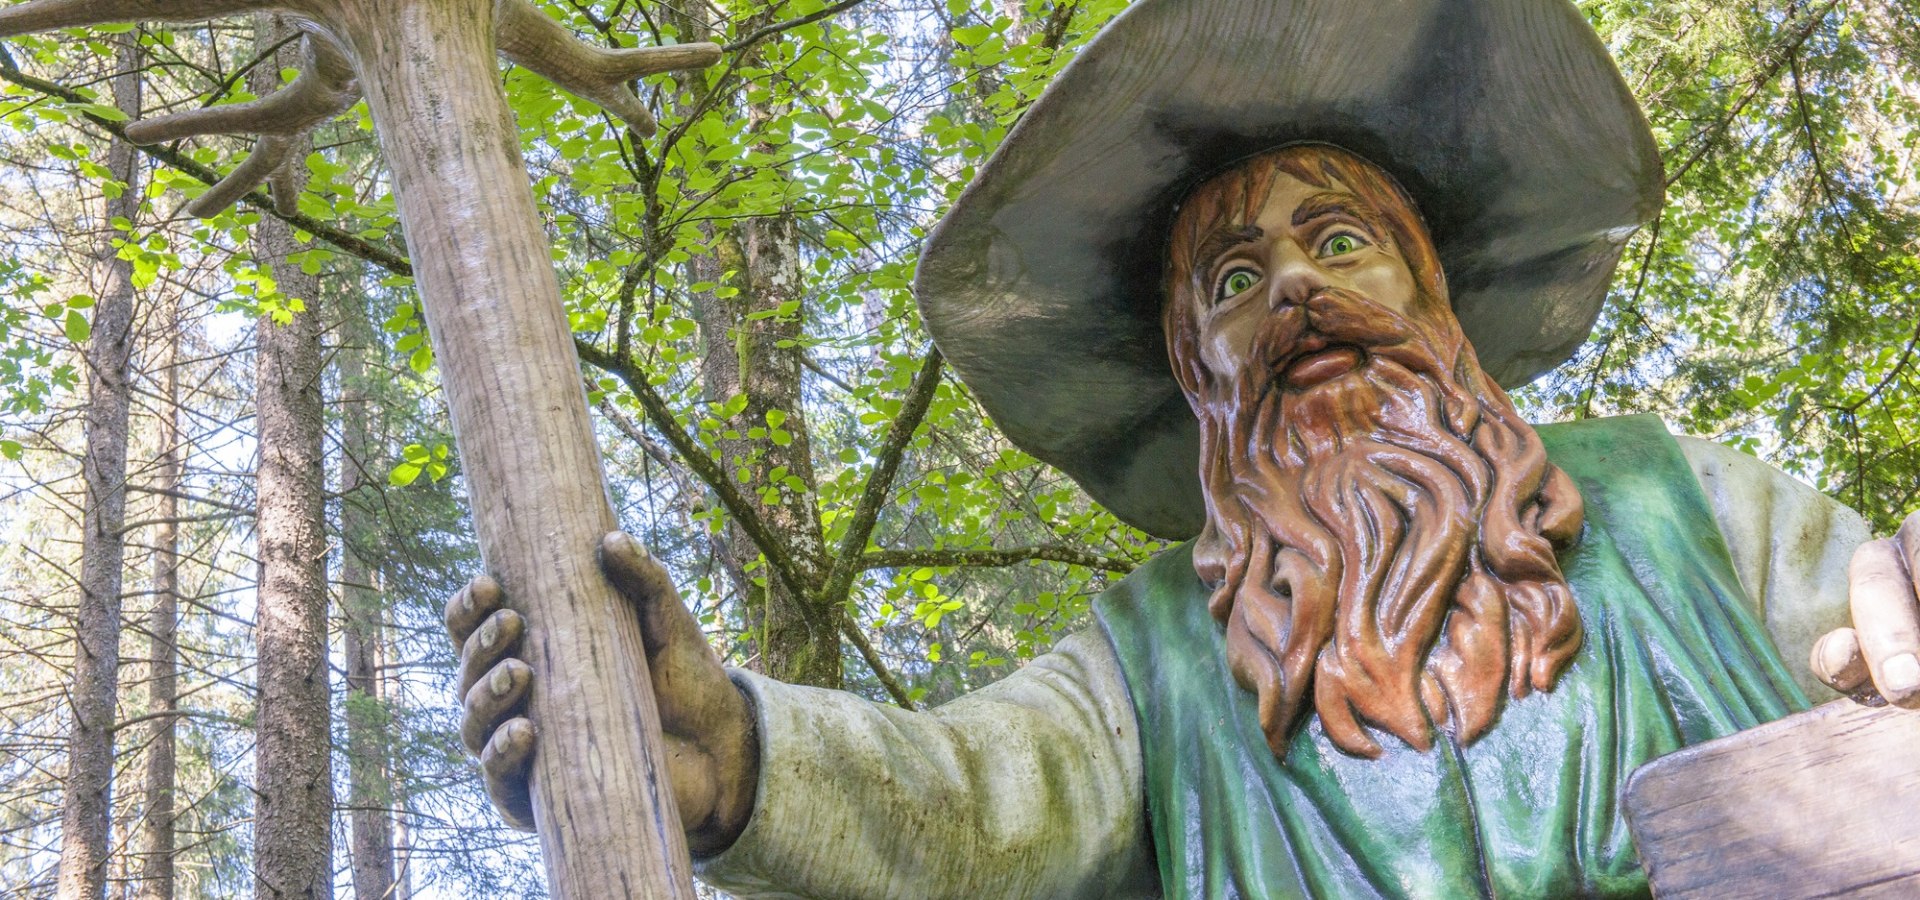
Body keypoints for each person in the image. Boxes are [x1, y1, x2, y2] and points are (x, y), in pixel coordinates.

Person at [448, 0, 1920, 896]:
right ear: (1195, 378)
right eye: (1230, 282)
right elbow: (970, 803)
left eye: (1340, 241)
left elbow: (1879, 617)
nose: (1291, 288)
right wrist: (748, 759)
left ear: (1436, 291)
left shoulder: (1677, 500)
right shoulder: (1152, 657)